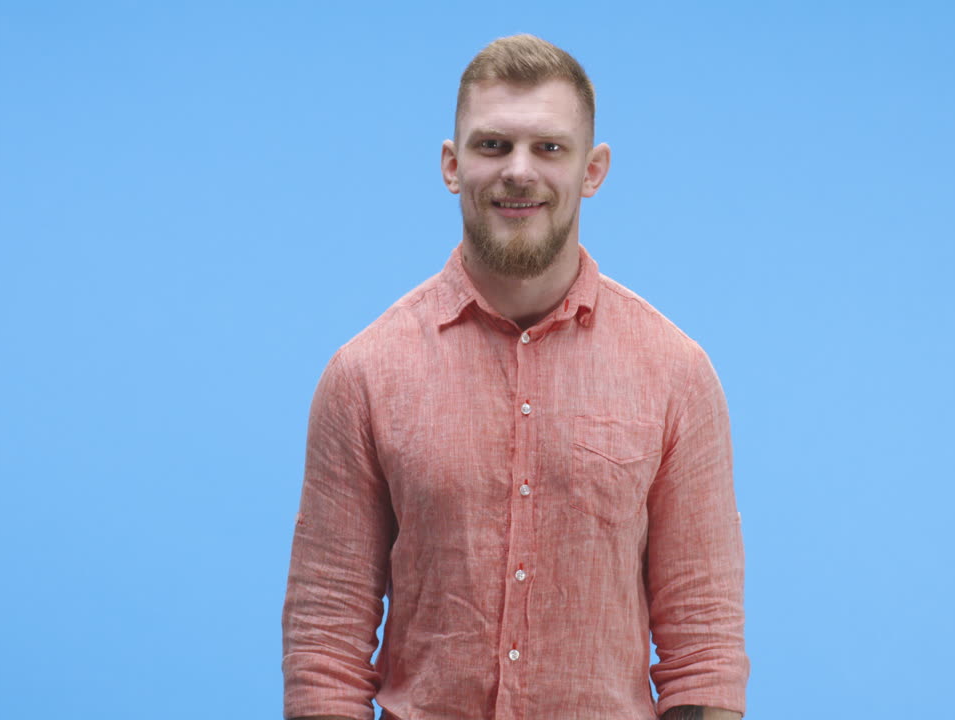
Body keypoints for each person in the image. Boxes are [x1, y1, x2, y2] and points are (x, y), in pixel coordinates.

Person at [282, 34, 748, 720]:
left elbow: (703, 652)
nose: (519, 171)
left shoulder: (676, 374)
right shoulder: (365, 375)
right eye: (493, 145)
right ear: (451, 163)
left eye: (549, 148)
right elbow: (326, 641)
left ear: (593, 170)